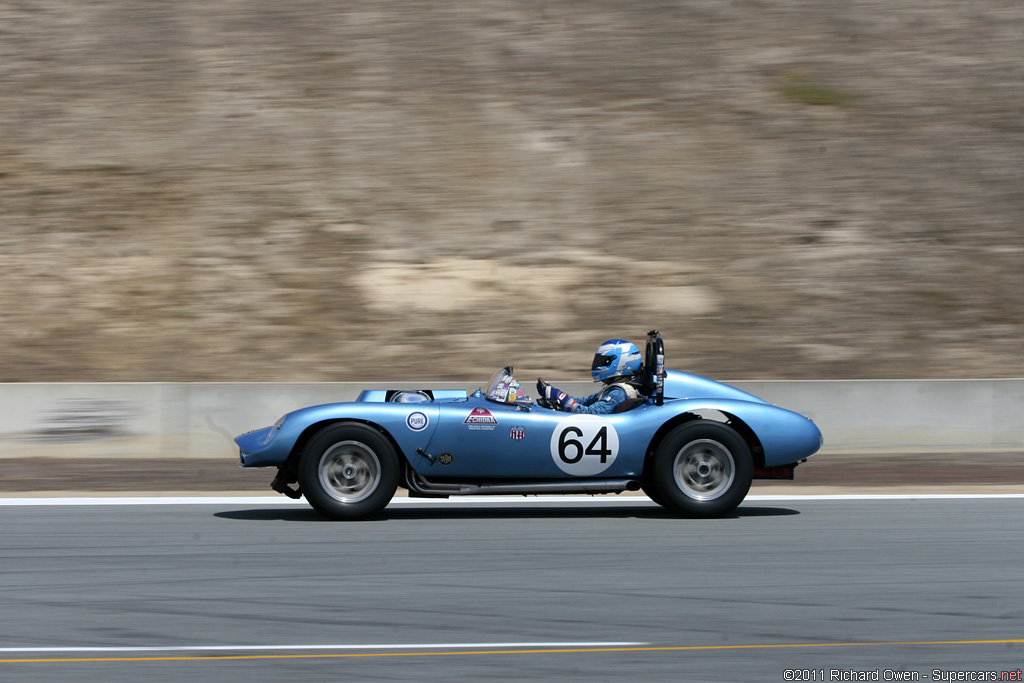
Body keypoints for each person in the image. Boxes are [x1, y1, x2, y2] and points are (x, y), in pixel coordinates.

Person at [536, 339, 644, 414]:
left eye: (604, 361)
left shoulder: (618, 393)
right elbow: (584, 402)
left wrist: (560, 397)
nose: (599, 364)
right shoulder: (615, 388)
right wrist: (556, 394)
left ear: (621, 363)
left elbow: (591, 415)